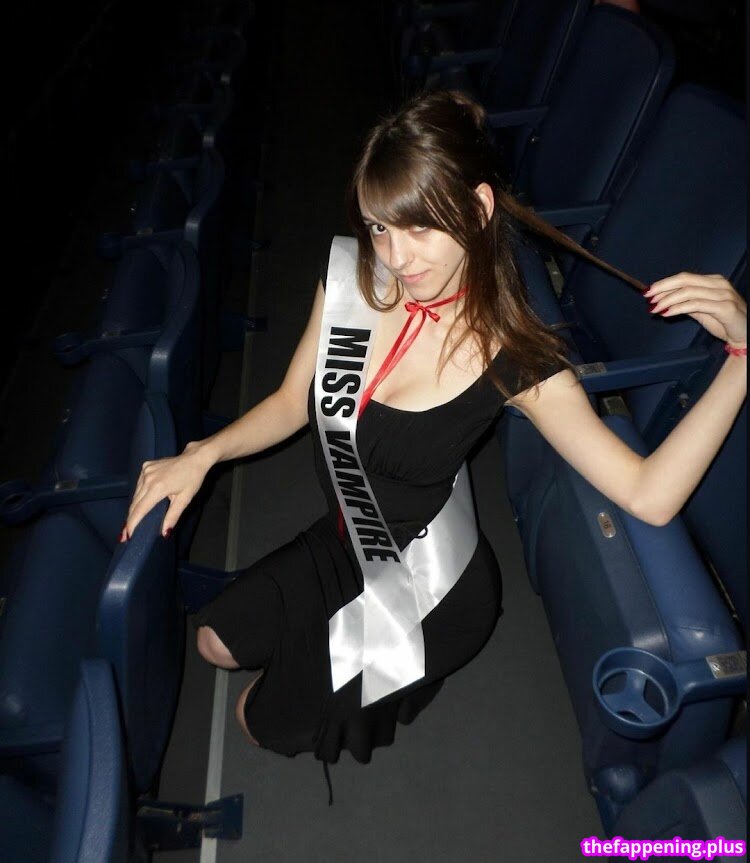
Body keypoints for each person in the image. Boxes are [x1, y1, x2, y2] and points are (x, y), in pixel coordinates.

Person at [121, 90, 746, 766]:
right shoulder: (355, 279)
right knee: (213, 642)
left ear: (478, 209)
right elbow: (292, 400)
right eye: (379, 226)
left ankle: (391, 676)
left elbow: (650, 494)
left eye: (420, 227)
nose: (397, 255)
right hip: (348, 536)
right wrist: (203, 453)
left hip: (427, 583)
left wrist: (742, 357)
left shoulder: (516, 362)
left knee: (254, 719)